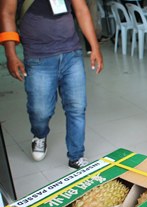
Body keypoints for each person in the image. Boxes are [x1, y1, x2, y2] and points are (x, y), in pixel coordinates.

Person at [0, 0, 103, 169]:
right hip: (38, 57)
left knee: (77, 108)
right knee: (40, 111)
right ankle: (39, 135)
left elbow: (81, 9)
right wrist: (11, 54)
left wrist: (95, 46)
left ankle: (76, 156)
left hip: (72, 53)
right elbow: (7, 13)